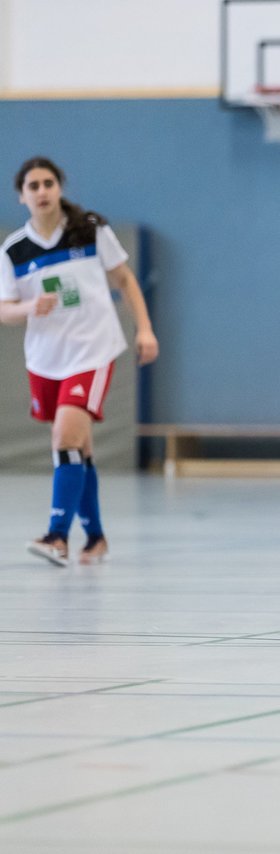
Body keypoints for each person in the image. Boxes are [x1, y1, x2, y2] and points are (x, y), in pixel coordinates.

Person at [0, 156, 159, 566]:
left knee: (64, 440)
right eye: (32, 186)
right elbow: (5, 309)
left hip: (92, 350)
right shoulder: (15, 249)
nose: (41, 191)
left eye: (48, 183)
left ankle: (56, 536)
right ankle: (97, 537)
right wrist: (31, 306)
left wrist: (144, 329)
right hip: (46, 358)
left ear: (59, 187)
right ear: (22, 196)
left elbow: (124, 279)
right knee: (78, 449)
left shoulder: (89, 229)